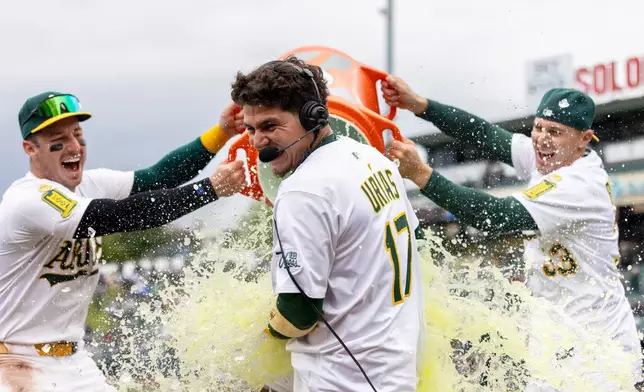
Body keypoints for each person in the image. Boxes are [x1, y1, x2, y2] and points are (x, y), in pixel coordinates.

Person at [381, 77, 643, 390]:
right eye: (539, 127)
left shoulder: (579, 185)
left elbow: (496, 216)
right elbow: (484, 134)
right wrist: (421, 105)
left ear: (583, 140)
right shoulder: (550, 157)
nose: (542, 140)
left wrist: (422, 175)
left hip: (600, 349)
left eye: (555, 133)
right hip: (556, 340)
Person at [0, 91, 247, 391]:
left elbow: (160, 177)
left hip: (75, 361)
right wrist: (209, 189)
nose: (74, 146)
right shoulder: (27, 199)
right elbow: (114, 216)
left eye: (77, 134)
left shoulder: (90, 184)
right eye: (58, 139)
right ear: (30, 148)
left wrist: (221, 132)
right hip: (18, 363)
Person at [231, 57, 426, 392]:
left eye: (269, 126)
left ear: (314, 116)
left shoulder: (302, 192)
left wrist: (253, 335)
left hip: (343, 380)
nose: (256, 141)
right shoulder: (372, 158)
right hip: (395, 371)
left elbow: (299, 315)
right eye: (250, 129)